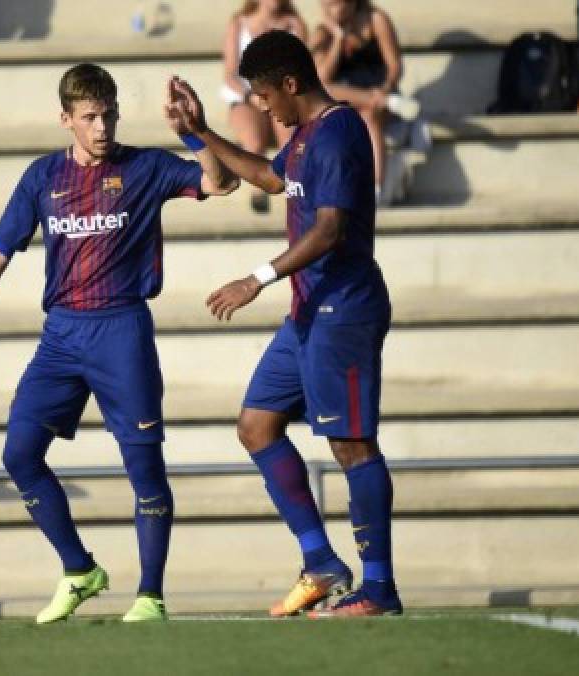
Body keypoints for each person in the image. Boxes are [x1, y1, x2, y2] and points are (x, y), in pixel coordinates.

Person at [0, 63, 237, 624]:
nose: (102, 128)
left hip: (122, 329)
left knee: (144, 471)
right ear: (67, 119)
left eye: (110, 115)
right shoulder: (42, 177)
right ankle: (79, 571)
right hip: (61, 336)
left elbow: (221, 182)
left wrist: (195, 134)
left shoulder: (144, 167)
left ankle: (150, 595)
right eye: (90, 117)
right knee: (19, 454)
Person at [165, 30, 402, 617]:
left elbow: (330, 228)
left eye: (265, 95)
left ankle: (379, 589)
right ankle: (322, 562)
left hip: (343, 308)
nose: (262, 107)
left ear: (291, 83)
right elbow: (271, 179)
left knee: (351, 444)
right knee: (256, 426)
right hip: (305, 312)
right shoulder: (302, 141)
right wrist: (200, 133)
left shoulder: (341, 129)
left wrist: (256, 278)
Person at [309, 0, 408, 197]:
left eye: (338, 4)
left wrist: (386, 89)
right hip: (345, 102)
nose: (334, 10)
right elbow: (321, 78)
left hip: (380, 94)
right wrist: (338, 39)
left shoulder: (375, 20)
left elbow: (395, 65)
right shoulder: (323, 32)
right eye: (328, 5)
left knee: (370, 116)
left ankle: (376, 189)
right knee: (323, 91)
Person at [221, 0, 307, 213]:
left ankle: (296, 190)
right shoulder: (239, 23)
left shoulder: (295, 24)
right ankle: (259, 195)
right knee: (254, 139)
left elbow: (305, 69)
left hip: (283, 98)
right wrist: (251, 96)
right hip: (246, 98)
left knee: (289, 137)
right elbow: (230, 73)